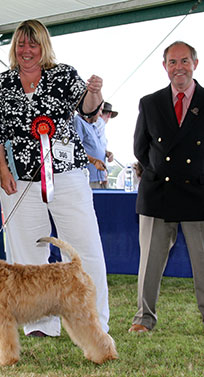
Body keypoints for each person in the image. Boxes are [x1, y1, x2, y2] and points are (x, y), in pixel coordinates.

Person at [0, 19, 110, 337]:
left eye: (34, 43)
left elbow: (88, 110)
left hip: (67, 176)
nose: (27, 50)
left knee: (84, 249)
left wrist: (94, 93)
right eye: (21, 44)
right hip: (19, 179)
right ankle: (40, 323)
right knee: (26, 254)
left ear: (44, 46)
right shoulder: (0, 84)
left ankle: (94, 321)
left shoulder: (64, 74)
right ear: (15, 47)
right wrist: (2, 171)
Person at [129, 41, 204, 333]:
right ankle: (143, 319)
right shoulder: (150, 102)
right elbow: (140, 147)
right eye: (172, 62)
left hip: (199, 191)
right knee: (149, 261)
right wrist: (157, 171)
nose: (178, 68)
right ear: (165, 67)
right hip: (158, 192)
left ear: (195, 64)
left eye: (184, 61)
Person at [74, 102, 118, 188]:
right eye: (100, 110)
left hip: (100, 177)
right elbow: (76, 150)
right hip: (89, 178)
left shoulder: (93, 125)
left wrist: (107, 153)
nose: (101, 114)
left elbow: (95, 147)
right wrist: (94, 161)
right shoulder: (78, 121)